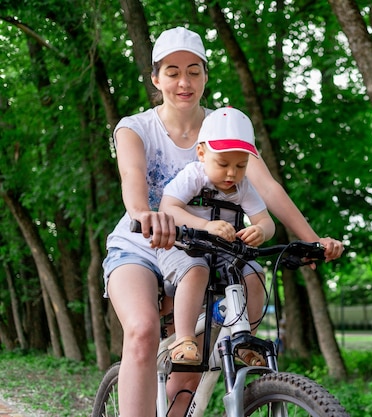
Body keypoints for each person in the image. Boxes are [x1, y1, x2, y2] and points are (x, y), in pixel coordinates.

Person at [102, 26, 344, 417]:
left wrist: (312, 241)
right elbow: (133, 182)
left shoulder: (226, 126)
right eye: (173, 71)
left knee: (202, 349)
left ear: (206, 75)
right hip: (142, 247)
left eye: (194, 71)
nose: (184, 82)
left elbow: (269, 190)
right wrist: (146, 216)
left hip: (206, 252)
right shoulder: (136, 127)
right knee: (143, 331)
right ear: (155, 77)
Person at [157, 106, 275, 366]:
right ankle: (184, 338)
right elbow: (168, 209)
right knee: (196, 269)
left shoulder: (243, 187)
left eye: (241, 165)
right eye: (223, 164)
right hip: (183, 249)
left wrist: (261, 231)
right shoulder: (193, 176)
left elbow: (266, 221)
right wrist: (205, 225)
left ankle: (245, 343)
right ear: (201, 153)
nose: (232, 173)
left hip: (224, 254)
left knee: (255, 273)